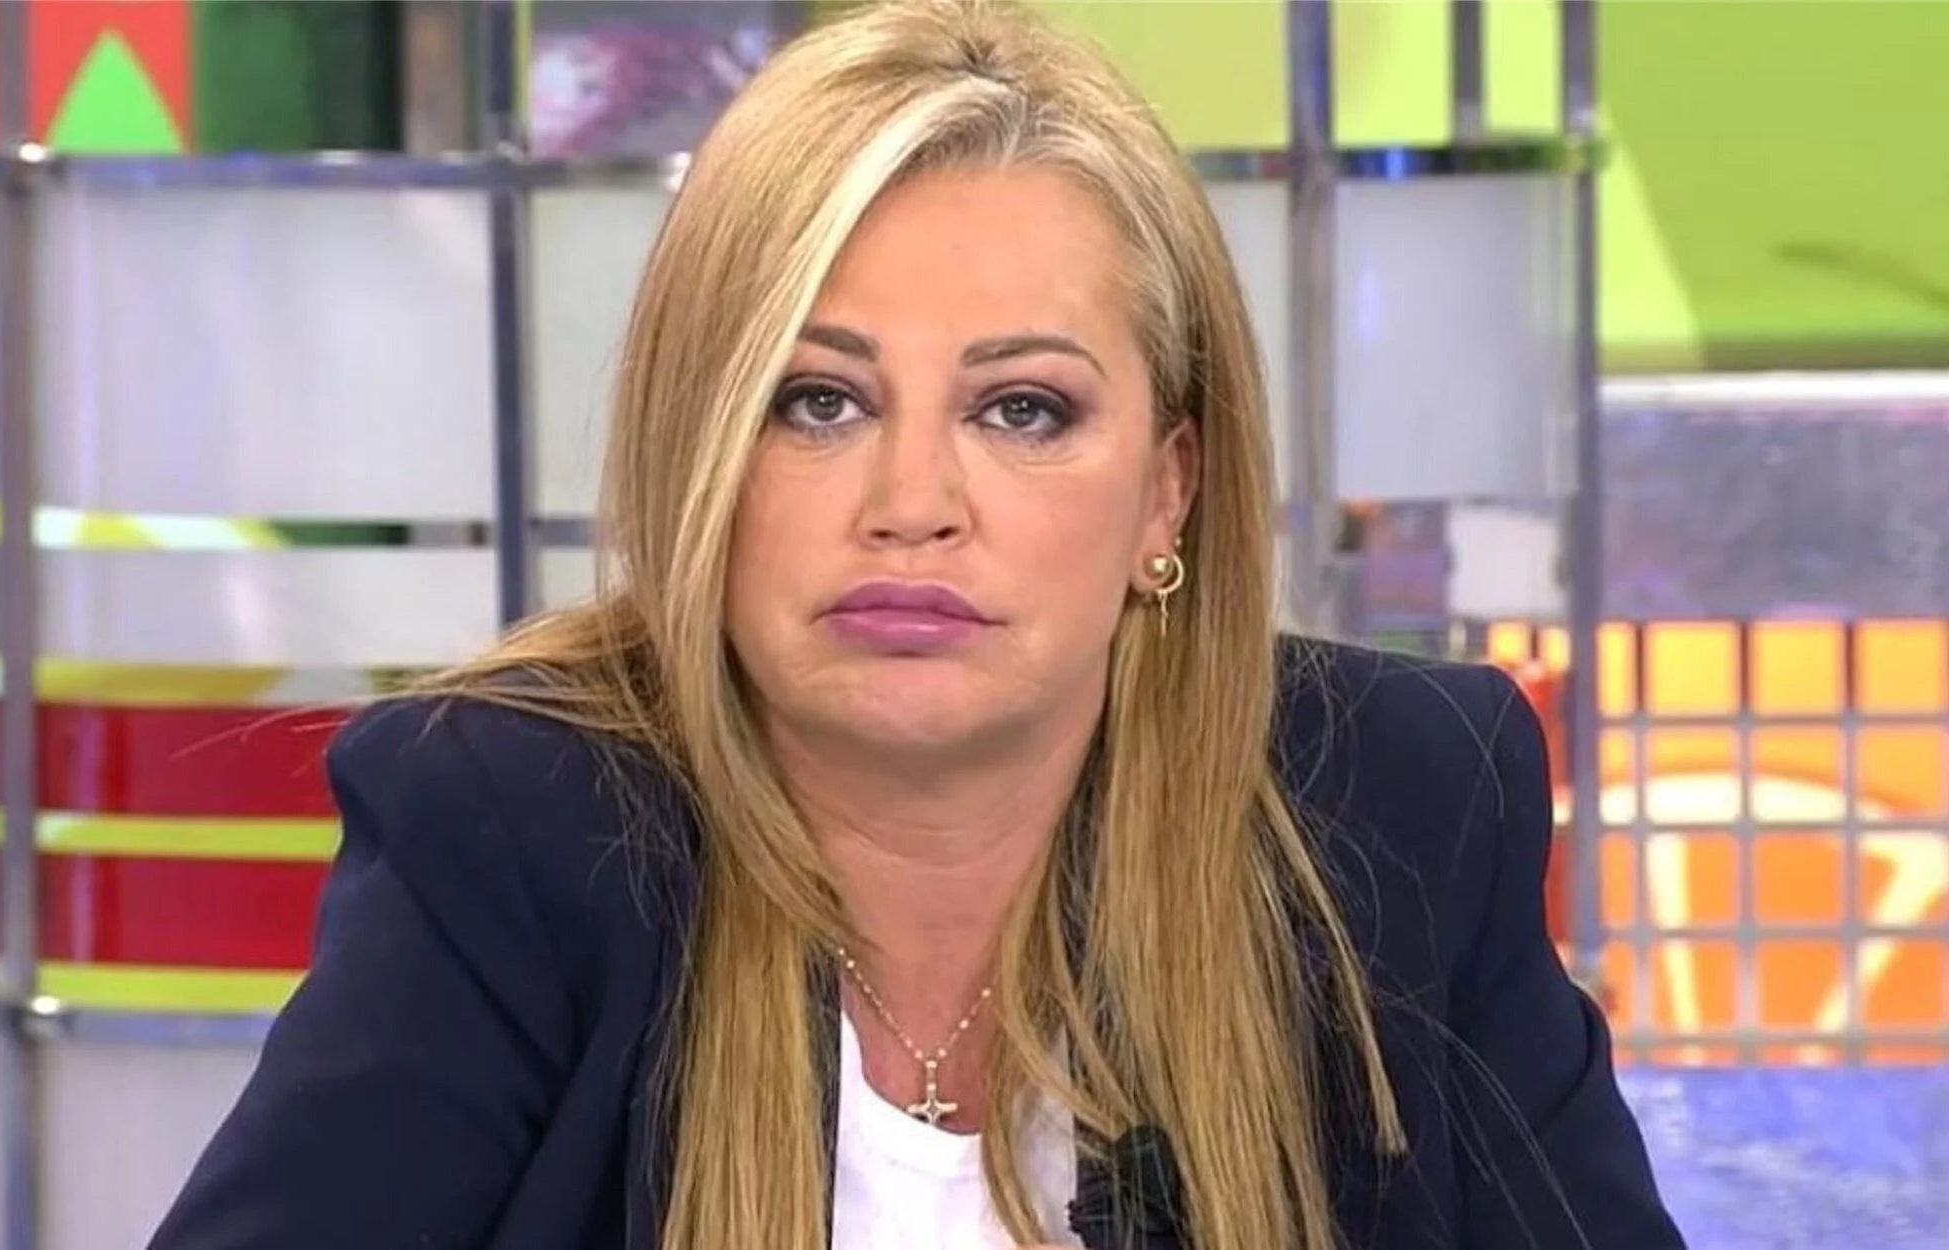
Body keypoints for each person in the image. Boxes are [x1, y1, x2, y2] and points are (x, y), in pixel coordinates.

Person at [147, 2, 1684, 1248]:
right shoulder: (515, 827)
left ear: (1168, 493)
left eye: (1022, 410)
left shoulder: (1399, 809)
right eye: (818, 401)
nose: (911, 502)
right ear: (700, 453)